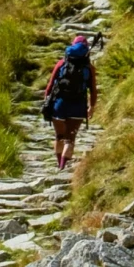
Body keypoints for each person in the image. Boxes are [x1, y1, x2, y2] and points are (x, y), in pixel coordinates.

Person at [39, 37, 96, 171]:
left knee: (59, 137)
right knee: (70, 139)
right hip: (78, 107)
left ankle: (59, 164)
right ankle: (63, 167)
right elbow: (93, 90)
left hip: (59, 105)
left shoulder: (61, 63)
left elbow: (50, 85)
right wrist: (91, 107)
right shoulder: (89, 68)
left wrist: (47, 101)